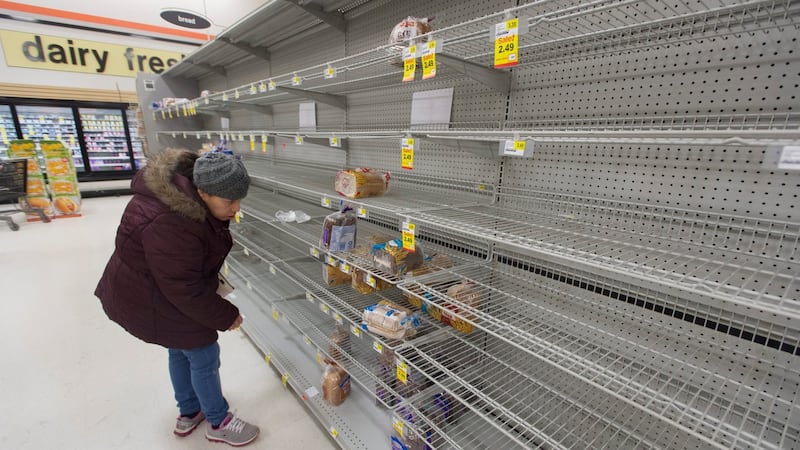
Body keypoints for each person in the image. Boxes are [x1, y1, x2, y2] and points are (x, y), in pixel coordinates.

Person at [95, 149, 259, 447]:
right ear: (202, 191)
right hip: (158, 296)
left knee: (179, 350)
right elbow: (183, 287)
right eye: (229, 201)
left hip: (152, 289)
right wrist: (225, 315)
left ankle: (189, 411)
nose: (236, 209)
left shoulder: (177, 200)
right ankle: (218, 421)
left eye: (239, 200)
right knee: (203, 354)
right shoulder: (172, 221)